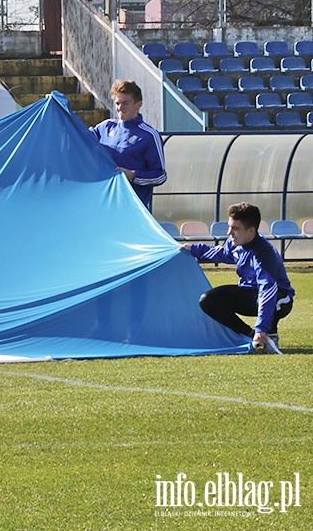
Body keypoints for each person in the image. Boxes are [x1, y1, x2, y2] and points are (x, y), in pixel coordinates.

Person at [181, 202, 294, 354]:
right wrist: (194, 250)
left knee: (266, 299)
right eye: (229, 227)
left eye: (235, 228)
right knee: (208, 300)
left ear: (251, 230)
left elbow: (268, 290)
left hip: (280, 298)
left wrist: (262, 327)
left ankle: (270, 334)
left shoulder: (264, 254)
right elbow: (223, 253)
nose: (229, 232)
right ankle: (248, 335)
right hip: (251, 294)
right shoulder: (236, 243)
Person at [89, 80, 167, 209]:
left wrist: (132, 175)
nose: (120, 108)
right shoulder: (106, 127)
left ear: (139, 104)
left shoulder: (149, 136)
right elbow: (79, 137)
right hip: (103, 204)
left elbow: (160, 176)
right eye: (118, 103)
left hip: (133, 209)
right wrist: (61, 112)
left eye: (125, 103)